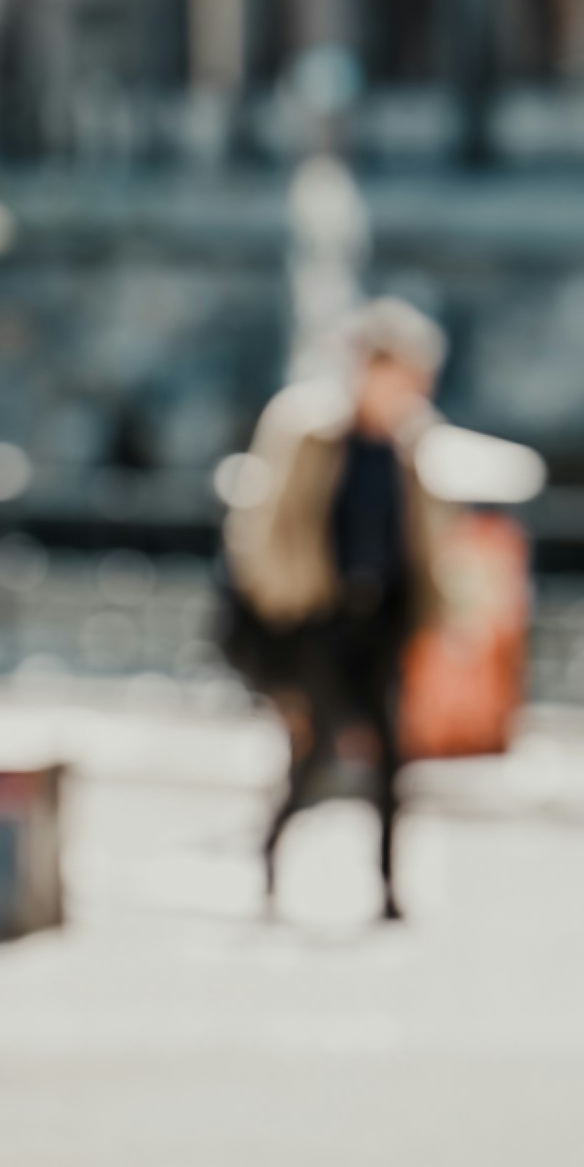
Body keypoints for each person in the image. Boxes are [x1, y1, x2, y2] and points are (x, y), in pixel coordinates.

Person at [216, 297, 452, 919]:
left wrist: (438, 609)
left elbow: (426, 535)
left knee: (392, 760)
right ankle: (269, 864)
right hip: (318, 621)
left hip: (382, 621)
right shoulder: (308, 427)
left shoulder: (410, 438)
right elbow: (262, 530)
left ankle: (388, 889)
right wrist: (285, 609)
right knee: (314, 754)